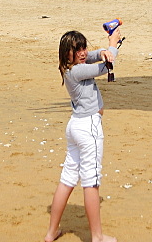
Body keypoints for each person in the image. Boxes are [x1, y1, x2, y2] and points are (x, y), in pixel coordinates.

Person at [45, 25, 122, 242]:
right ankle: (97, 237)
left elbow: (93, 57)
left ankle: (52, 233)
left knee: (68, 178)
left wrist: (103, 51)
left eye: (83, 47)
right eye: (76, 49)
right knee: (91, 182)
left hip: (75, 127)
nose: (82, 52)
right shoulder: (77, 71)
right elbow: (105, 67)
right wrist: (112, 45)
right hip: (88, 129)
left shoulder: (71, 66)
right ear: (66, 54)